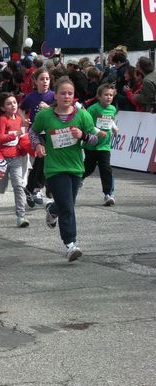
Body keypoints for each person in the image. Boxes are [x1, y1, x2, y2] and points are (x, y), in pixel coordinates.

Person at [31, 77, 97, 262]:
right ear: (56, 95)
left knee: (66, 203)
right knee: (68, 207)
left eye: (70, 93)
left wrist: (82, 135)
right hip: (54, 168)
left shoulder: (82, 115)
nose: (67, 96)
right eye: (63, 93)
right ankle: (70, 245)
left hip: (76, 167)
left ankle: (52, 209)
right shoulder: (45, 115)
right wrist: (37, 145)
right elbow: (33, 131)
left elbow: (94, 139)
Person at [0, 92, 30, 228]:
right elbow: (0, 138)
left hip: (15, 157)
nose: (13, 105)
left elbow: (22, 137)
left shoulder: (19, 119)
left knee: (18, 186)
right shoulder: (2, 119)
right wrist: (16, 134)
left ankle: (21, 216)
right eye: (9, 103)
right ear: (3, 108)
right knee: (1, 188)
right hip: (2, 158)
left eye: (14, 102)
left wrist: (25, 132)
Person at [21, 67, 55, 207]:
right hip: (36, 131)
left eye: (47, 79)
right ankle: (37, 189)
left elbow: (60, 109)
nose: (45, 81)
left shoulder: (53, 95)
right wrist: (24, 119)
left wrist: (49, 108)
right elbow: (21, 109)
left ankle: (31, 188)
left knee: (46, 161)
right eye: (42, 79)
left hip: (51, 131)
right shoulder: (31, 96)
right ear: (35, 81)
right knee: (42, 157)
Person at [82, 83, 119, 206]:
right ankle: (78, 178)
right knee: (89, 168)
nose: (109, 97)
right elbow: (87, 125)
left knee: (106, 168)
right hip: (92, 145)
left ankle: (108, 194)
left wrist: (114, 127)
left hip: (105, 145)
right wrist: (98, 131)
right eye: (106, 95)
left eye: (111, 95)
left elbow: (111, 120)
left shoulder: (113, 108)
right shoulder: (93, 109)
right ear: (99, 96)